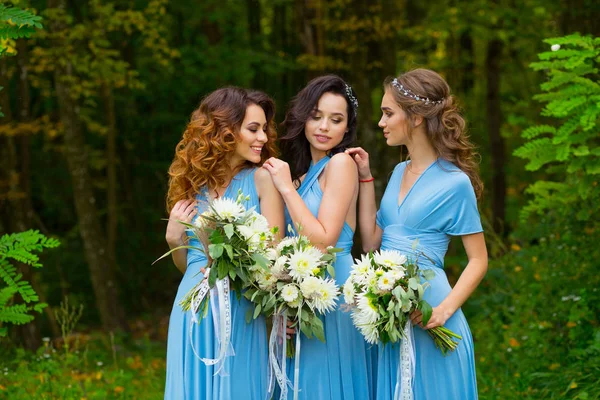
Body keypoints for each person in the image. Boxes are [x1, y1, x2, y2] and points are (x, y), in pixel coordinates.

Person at [346, 68, 488, 400]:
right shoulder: (397, 172)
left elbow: (478, 260)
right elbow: (371, 244)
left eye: (388, 113)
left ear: (416, 118)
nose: (381, 122)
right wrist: (366, 179)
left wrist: (443, 310)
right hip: (393, 314)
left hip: (431, 313)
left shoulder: (455, 182)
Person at [164, 87, 284, 400]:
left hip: (241, 311)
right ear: (225, 132)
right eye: (253, 129)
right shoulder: (192, 186)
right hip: (192, 309)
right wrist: (174, 238)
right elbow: (190, 265)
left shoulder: (262, 180)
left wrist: (214, 246)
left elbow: (274, 259)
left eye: (263, 129)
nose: (262, 138)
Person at [263, 75, 376, 399]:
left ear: (347, 128)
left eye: (336, 119)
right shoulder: (299, 177)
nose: (324, 126)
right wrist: (281, 301)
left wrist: (285, 187)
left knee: (326, 384)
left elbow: (323, 240)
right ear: (303, 117)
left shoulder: (340, 164)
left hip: (334, 291)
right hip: (299, 292)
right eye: (316, 116)